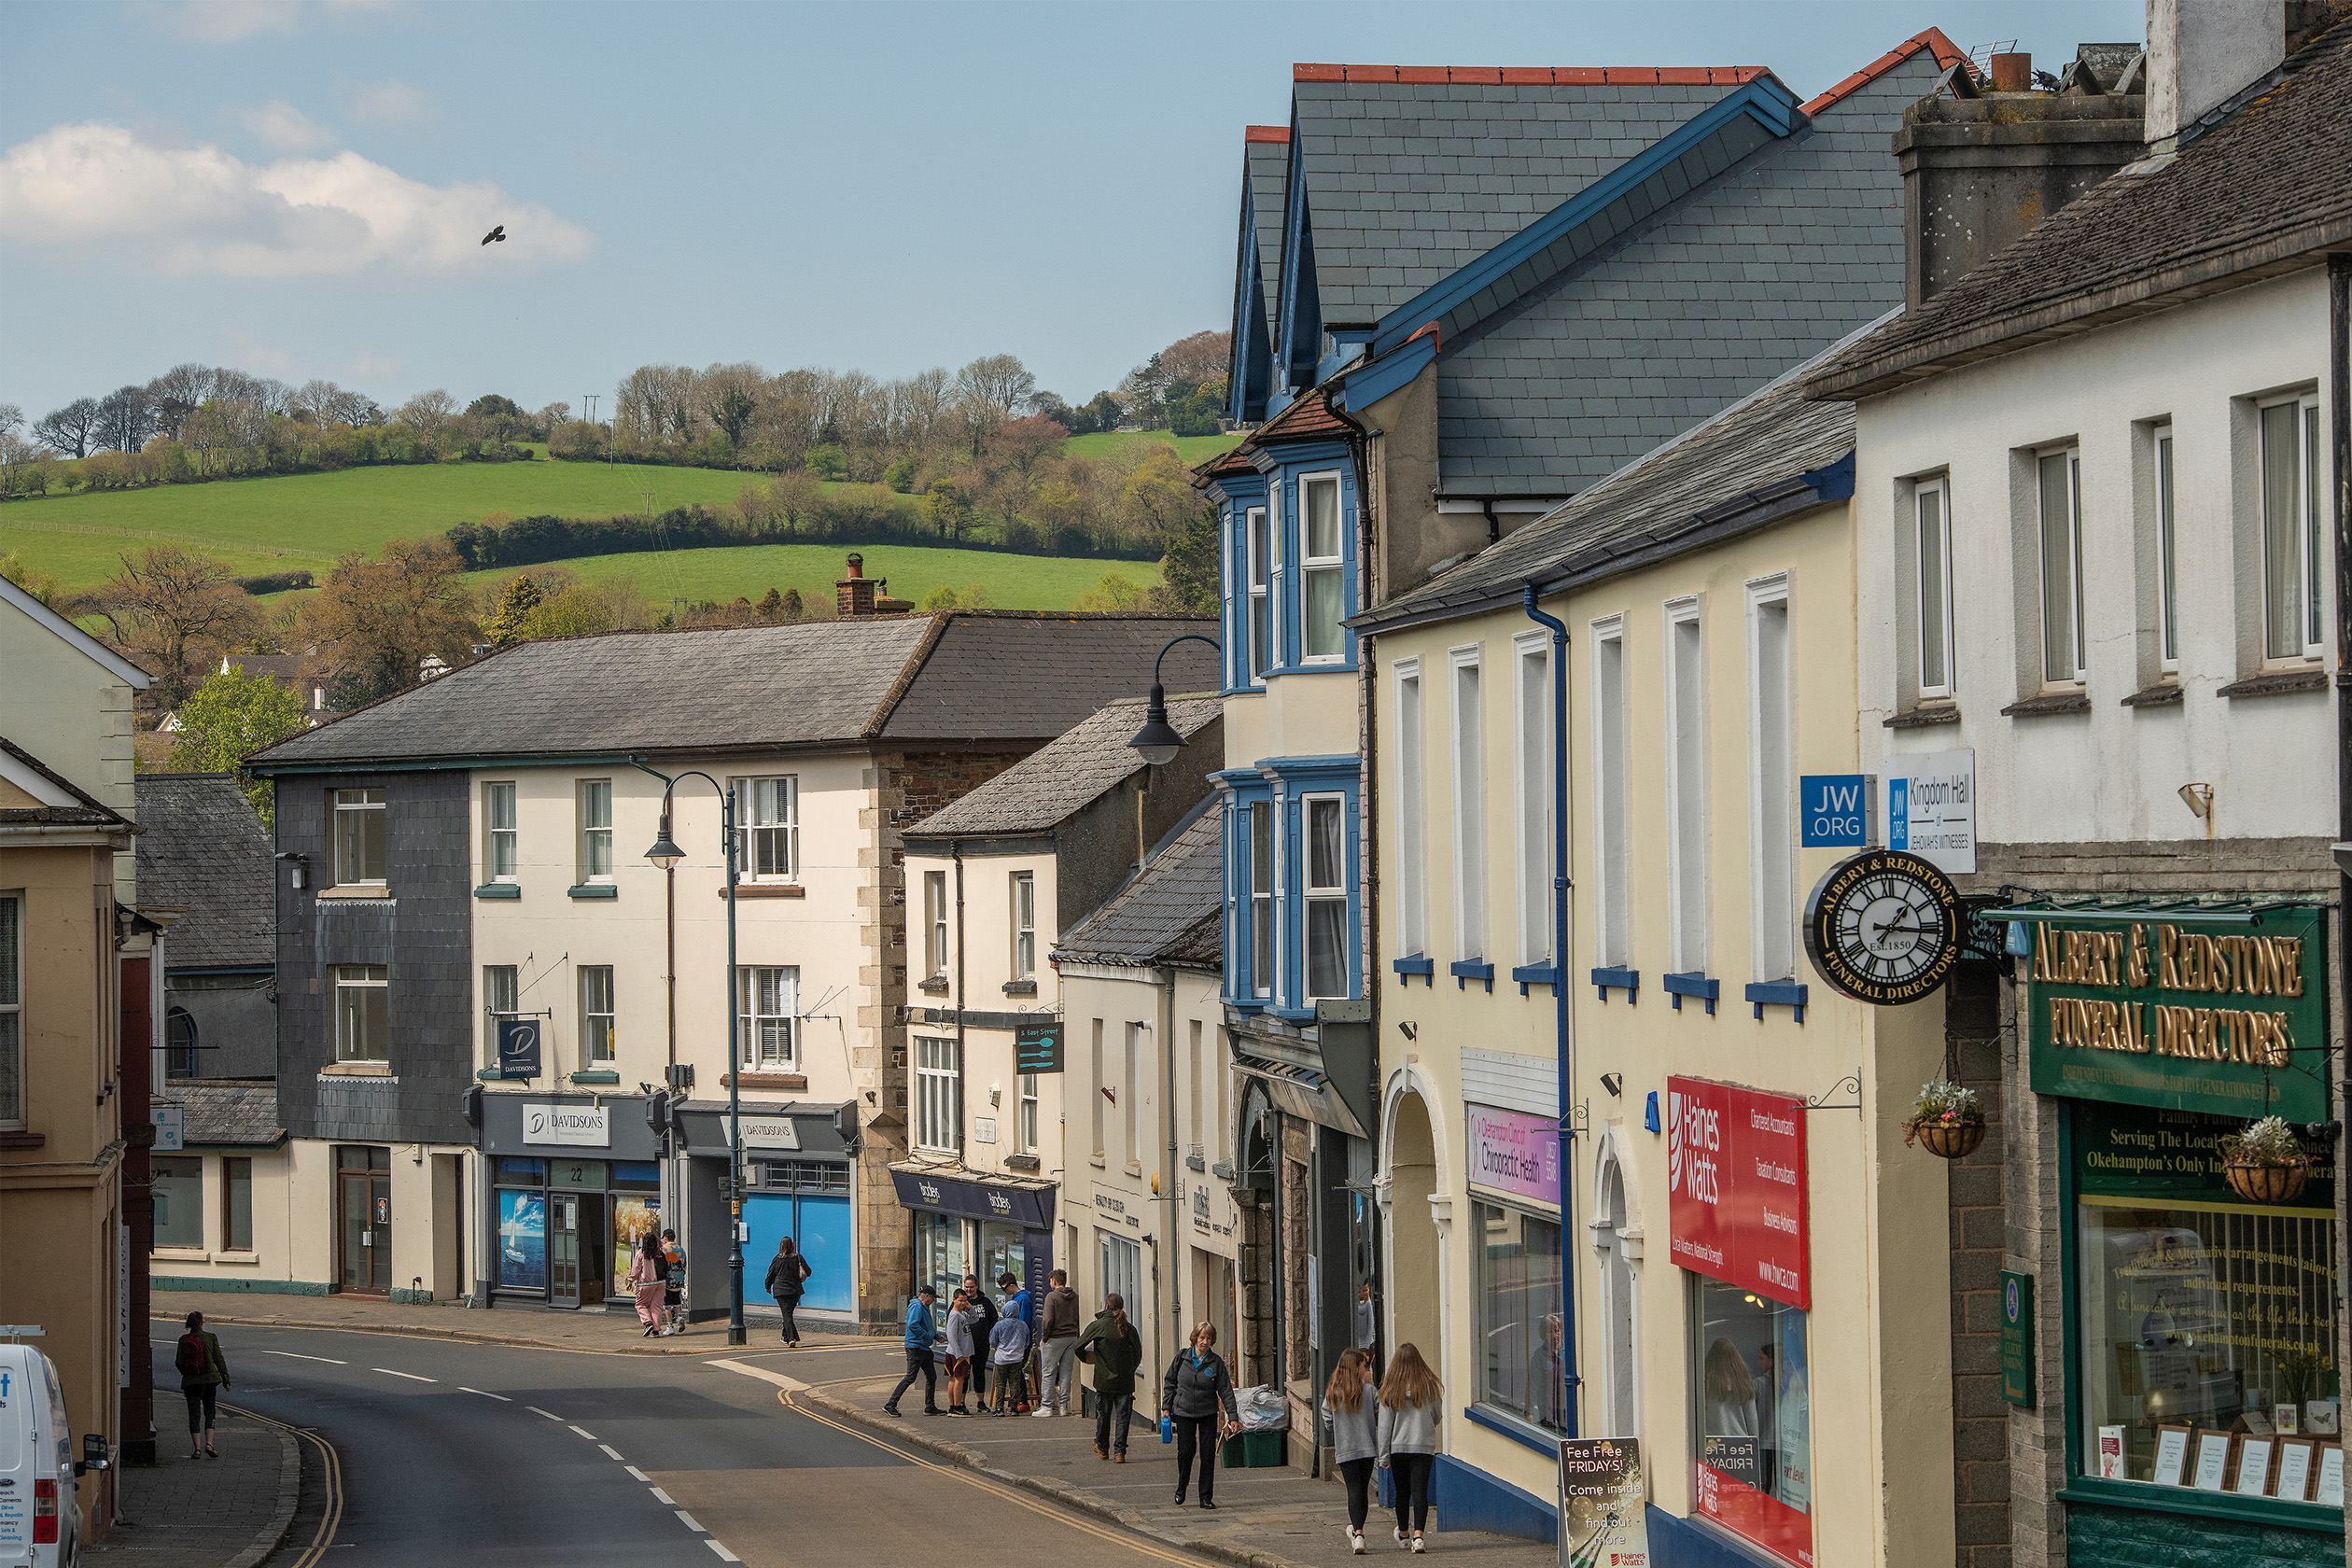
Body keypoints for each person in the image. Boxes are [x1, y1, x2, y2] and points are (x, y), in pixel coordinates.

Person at [1161, 1320, 1240, 1509]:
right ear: (1195, 1338)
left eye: (1208, 1338)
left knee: (1207, 1455)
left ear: (1212, 1341)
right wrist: (1166, 1407)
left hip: (1207, 1412)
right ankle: (1181, 1486)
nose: (1205, 1342)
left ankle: (1205, 1497)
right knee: (1185, 1452)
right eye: (1202, 1337)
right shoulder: (1182, 1358)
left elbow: (1225, 1390)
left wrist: (1233, 1416)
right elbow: (1170, 1382)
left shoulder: (1216, 1363)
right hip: (1184, 1412)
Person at [1377, 1341, 1443, 1553]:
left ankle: (1404, 1532)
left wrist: (1383, 1456)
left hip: (1399, 1448)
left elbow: (1384, 1427)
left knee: (1402, 1492)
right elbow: (1436, 1416)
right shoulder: (1429, 1387)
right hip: (1423, 1446)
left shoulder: (1389, 1390)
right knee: (1420, 1491)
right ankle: (1419, 1537)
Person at [1073, 1291, 1142, 1462]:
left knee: (1103, 1415)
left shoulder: (1099, 1325)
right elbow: (1138, 1353)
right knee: (1123, 1417)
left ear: (1105, 1306)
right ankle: (1120, 1452)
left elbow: (1078, 1346)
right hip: (1125, 1381)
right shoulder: (1129, 1328)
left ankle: (1102, 1448)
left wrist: (1089, 1358)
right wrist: (1129, 1369)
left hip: (1104, 1380)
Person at [1323, 1347, 1379, 1555]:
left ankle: (1357, 1534)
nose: (1365, 1368)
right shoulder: (1369, 1391)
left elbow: (1327, 1418)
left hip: (1345, 1449)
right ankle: (1359, 1531)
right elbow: (1378, 1412)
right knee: (1362, 1490)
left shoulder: (1333, 1392)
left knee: (1353, 1490)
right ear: (1356, 1368)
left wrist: (1337, 1429)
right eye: (1363, 1365)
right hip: (1366, 1448)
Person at [175, 1310, 230, 1460]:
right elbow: (219, 1359)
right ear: (201, 1322)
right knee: (209, 1411)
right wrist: (225, 1379)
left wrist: (188, 1374)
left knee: (194, 1414)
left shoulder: (183, 1339)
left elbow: (178, 1362)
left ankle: (197, 1449)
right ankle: (209, 1444)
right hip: (209, 1381)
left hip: (190, 1383)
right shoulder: (210, 1337)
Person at [884, 1284, 942, 1417]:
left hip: (923, 1347)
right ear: (926, 1296)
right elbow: (913, 1325)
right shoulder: (917, 1306)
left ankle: (930, 1406)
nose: (933, 1300)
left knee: (931, 1376)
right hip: (915, 1347)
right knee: (910, 1377)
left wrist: (936, 1336)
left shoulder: (923, 1307)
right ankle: (890, 1404)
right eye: (932, 1297)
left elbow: (927, 1326)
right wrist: (928, 1336)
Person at [1035, 1268, 1082, 1418]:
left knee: (1048, 1372)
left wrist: (1044, 1338)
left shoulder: (1052, 1297)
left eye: (1050, 1281)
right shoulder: (1074, 1296)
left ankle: (1047, 1406)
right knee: (1066, 1373)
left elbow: (1047, 1320)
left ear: (1054, 1281)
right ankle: (1063, 1406)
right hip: (1071, 1337)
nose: (1050, 1283)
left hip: (1055, 1337)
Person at [764, 1237, 813, 1347]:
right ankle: (785, 1337)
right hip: (795, 1291)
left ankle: (791, 1338)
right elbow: (809, 1272)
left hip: (781, 1291)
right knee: (788, 1314)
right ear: (792, 1245)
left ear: (781, 1246)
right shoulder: (798, 1258)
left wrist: (767, 1286)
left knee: (787, 1315)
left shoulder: (777, 1260)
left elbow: (770, 1274)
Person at [960, 1274, 999, 1409]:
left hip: (981, 1344)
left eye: (971, 1287)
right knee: (964, 1375)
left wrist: (989, 1336)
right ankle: (961, 1402)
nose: (968, 1290)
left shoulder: (985, 1302)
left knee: (979, 1373)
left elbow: (994, 1319)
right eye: (966, 1287)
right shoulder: (961, 1302)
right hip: (964, 1345)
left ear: (976, 1286)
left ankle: (980, 1402)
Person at [944, 1288, 982, 1416]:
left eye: (965, 1301)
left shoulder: (963, 1314)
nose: (963, 1303)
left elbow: (975, 1319)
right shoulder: (954, 1315)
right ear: (954, 1300)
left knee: (955, 1379)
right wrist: (958, 1353)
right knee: (958, 1380)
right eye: (960, 1300)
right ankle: (956, 1405)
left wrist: (969, 1307)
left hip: (961, 1352)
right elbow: (951, 1336)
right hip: (959, 1353)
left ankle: (954, 1406)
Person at [987, 1300, 1030, 1414]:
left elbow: (993, 1341)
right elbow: (1026, 1342)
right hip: (1017, 1358)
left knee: (1000, 1383)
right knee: (1015, 1383)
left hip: (1001, 1358)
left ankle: (999, 1408)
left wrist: (996, 1347)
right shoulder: (1023, 1325)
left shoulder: (999, 1325)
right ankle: (1013, 1408)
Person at [1001, 1271, 1035, 1408]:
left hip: (1020, 1343)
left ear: (1011, 1285)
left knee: (1017, 1371)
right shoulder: (1017, 1299)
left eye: (1004, 1288)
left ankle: (1022, 1400)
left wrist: (1019, 1342)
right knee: (1015, 1371)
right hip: (1015, 1341)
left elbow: (1024, 1323)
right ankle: (1019, 1399)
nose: (1004, 1292)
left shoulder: (1023, 1300)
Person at [627, 1232, 666, 1337]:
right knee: (656, 1307)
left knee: (640, 1304)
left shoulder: (641, 1253)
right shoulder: (660, 1253)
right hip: (661, 1283)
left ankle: (648, 1323)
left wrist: (630, 1280)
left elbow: (636, 1269)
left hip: (646, 1283)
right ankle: (656, 1330)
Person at [659, 1228, 687, 1336]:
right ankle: (679, 1316)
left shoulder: (664, 1250)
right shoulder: (681, 1249)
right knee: (676, 1300)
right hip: (679, 1279)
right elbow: (684, 1265)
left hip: (668, 1280)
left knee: (667, 1305)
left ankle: (670, 1326)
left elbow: (662, 1266)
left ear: (666, 1238)